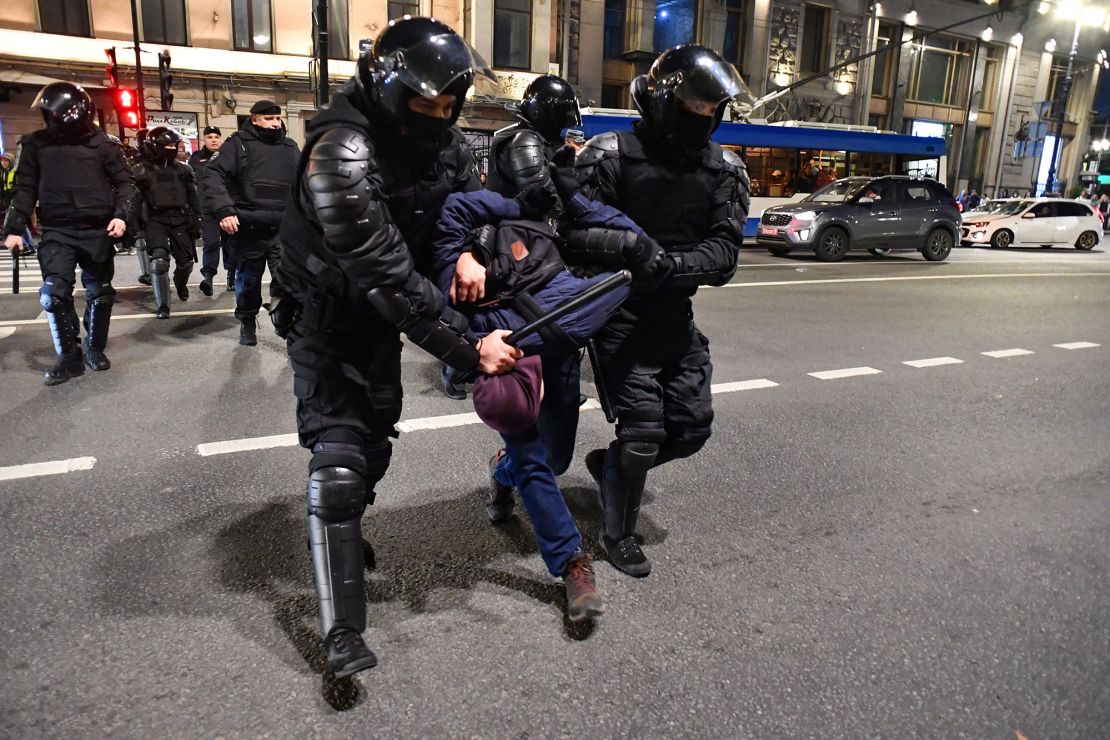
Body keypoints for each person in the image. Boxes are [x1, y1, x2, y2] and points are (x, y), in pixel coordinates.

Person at [276, 17, 522, 679]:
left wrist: (471, 252)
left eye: (450, 104)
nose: (438, 116)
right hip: (325, 315)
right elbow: (383, 273)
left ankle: (344, 528)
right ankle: (339, 632)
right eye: (424, 103)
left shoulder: (445, 147)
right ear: (387, 89)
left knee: (376, 442)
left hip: (383, 320)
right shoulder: (341, 151)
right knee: (339, 457)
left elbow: (464, 212)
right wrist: (468, 353)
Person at [575, 45, 751, 576]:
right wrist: (629, 252)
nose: (704, 119)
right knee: (644, 431)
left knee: (691, 429)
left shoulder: (724, 169)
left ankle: (612, 468)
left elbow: (723, 256)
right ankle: (617, 533)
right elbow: (574, 232)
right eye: (695, 107)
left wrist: (665, 264)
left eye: (711, 110)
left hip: (675, 318)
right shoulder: (607, 154)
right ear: (663, 100)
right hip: (617, 317)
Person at [1, 82, 135, 384]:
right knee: (53, 294)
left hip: (97, 230)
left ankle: (95, 347)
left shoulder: (105, 144)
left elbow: (126, 184)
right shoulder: (36, 145)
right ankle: (69, 357)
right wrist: (14, 228)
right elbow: (25, 189)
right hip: (57, 230)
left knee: (100, 293)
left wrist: (121, 216)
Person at [204, 100, 300, 346]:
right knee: (248, 283)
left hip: (282, 229)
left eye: (277, 119)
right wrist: (225, 210)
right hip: (248, 228)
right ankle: (247, 321)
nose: (275, 123)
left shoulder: (290, 147)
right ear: (254, 118)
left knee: (287, 282)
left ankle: (287, 327)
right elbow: (214, 175)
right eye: (269, 119)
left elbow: (304, 184)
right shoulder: (237, 144)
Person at [134, 127, 202, 319]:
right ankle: (163, 305)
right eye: (168, 145)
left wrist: (198, 219)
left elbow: (193, 197)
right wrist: (137, 229)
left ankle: (180, 284)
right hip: (156, 220)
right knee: (159, 263)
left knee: (186, 262)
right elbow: (135, 202)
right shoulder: (140, 171)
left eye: (174, 145)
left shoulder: (184, 170)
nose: (172, 148)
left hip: (180, 219)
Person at [188, 126, 235, 295]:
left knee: (230, 243)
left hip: (227, 207)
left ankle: (232, 275)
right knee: (211, 243)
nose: (214, 139)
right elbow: (191, 185)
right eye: (210, 136)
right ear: (204, 139)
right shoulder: (196, 159)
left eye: (216, 136)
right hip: (207, 209)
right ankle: (208, 277)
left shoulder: (227, 156)